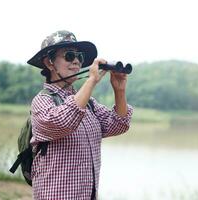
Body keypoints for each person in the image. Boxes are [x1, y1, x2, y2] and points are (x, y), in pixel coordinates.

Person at [27, 30, 133, 200]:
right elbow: (63, 122)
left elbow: (118, 124)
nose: (76, 61)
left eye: (80, 57)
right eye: (69, 56)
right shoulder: (42, 101)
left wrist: (119, 90)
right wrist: (91, 81)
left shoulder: (89, 103)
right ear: (49, 62)